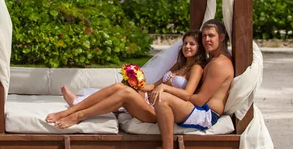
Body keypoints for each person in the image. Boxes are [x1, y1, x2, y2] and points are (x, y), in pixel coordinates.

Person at [45, 30, 206, 129]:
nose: (187, 47)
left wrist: (163, 89)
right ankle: (69, 111)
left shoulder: (196, 68)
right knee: (119, 87)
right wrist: (137, 84)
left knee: (125, 95)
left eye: (192, 44)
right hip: (149, 101)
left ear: (199, 47)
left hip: (160, 112)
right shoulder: (178, 65)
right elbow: (154, 86)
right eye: (185, 43)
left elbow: (187, 94)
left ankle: (78, 115)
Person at [148, 19, 234, 149]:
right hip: (199, 109)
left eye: (211, 36)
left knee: (162, 98)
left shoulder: (220, 63)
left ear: (221, 37)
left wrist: (167, 89)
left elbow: (200, 100)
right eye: (204, 36)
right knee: (159, 95)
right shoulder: (212, 59)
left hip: (206, 113)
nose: (206, 39)